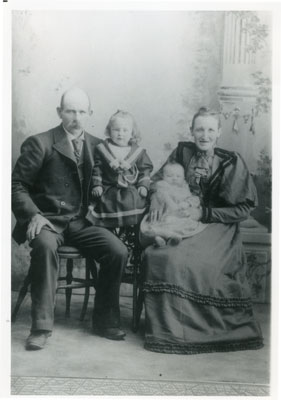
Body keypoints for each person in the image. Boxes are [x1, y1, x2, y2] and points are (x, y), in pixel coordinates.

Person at [12, 88, 128, 350]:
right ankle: (41, 328)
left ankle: (105, 321)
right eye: (70, 111)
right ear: (59, 112)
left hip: (82, 222)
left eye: (82, 111)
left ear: (90, 113)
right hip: (48, 221)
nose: (76, 117)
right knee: (44, 246)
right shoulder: (40, 142)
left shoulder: (100, 146)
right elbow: (16, 185)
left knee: (118, 251)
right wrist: (34, 215)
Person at [142, 107, 264, 354]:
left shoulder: (231, 162)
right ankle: (169, 331)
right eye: (199, 129)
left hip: (217, 226)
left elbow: (243, 210)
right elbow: (157, 180)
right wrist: (156, 197)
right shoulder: (183, 152)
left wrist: (205, 213)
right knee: (160, 256)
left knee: (185, 261)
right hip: (180, 221)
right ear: (192, 131)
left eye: (210, 129)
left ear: (218, 132)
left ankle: (197, 332)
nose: (204, 135)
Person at [86, 110, 153, 228]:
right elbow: (97, 168)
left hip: (130, 189)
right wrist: (97, 185)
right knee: (105, 204)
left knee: (135, 202)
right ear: (109, 131)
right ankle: (110, 231)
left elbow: (145, 170)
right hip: (109, 188)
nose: (120, 134)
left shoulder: (138, 152)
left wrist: (143, 185)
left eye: (125, 130)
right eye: (116, 130)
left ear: (132, 133)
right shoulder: (103, 149)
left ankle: (133, 232)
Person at [139, 162, 206, 247]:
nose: (174, 178)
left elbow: (194, 199)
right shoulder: (162, 186)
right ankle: (161, 238)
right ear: (163, 177)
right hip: (165, 214)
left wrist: (187, 203)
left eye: (178, 176)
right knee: (160, 224)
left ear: (184, 178)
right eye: (169, 176)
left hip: (179, 215)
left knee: (181, 224)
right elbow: (165, 201)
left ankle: (168, 238)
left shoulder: (185, 187)